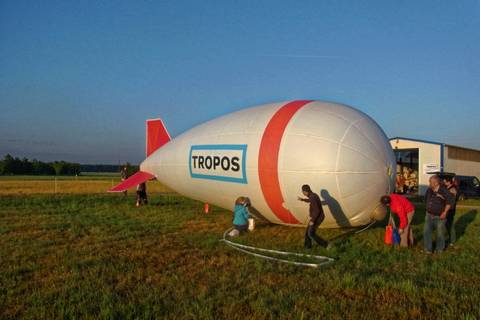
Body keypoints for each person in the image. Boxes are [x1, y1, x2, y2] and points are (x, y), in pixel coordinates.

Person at [424, 175, 454, 253]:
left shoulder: (444, 190)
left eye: (431, 182)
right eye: (429, 182)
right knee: (427, 232)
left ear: (436, 183)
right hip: (429, 215)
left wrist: (445, 212)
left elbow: (450, 202)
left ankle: (439, 249)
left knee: (440, 233)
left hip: (440, 216)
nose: (429, 183)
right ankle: (428, 249)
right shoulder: (429, 190)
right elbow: (426, 199)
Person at [298, 184, 328, 249]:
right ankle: (307, 247)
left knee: (311, 233)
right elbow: (310, 200)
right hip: (316, 217)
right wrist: (302, 199)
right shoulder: (313, 195)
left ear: (305, 191)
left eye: (302, 192)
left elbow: (317, 210)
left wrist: (312, 220)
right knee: (307, 232)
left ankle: (326, 244)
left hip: (318, 218)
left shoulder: (313, 197)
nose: (302, 193)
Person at [443, 176, 458, 247]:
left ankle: (452, 240)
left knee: (450, 225)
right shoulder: (448, 188)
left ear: (449, 182)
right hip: (448, 209)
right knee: (447, 224)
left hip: (451, 209)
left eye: (445, 182)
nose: (444, 183)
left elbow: (451, 200)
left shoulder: (453, 189)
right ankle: (450, 238)